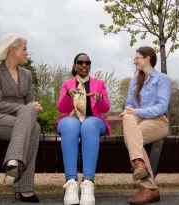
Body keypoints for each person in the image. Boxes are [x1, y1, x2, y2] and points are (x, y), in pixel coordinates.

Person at [0, 33, 42, 203]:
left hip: (21, 121)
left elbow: (29, 101)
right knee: (32, 123)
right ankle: (24, 187)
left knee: (35, 126)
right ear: (12, 49)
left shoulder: (27, 74)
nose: (27, 53)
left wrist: (33, 106)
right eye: (24, 49)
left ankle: (14, 162)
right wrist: (27, 109)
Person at [56, 53, 111, 205]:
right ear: (75, 66)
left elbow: (106, 108)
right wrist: (68, 95)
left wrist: (100, 98)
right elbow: (61, 108)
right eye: (80, 62)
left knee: (88, 125)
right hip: (71, 118)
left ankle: (88, 183)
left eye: (87, 62)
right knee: (70, 124)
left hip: (94, 120)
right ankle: (71, 183)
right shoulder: (67, 84)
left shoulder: (99, 83)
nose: (84, 65)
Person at [120, 46, 171, 204]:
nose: (134, 61)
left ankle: (147, 184)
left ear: (147, 59)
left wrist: (136, 112)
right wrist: (128, 112)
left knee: (131, 137)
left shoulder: (162, 79)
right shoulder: (134, 81)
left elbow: (161, 107)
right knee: (128, 120)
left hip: (158, 122)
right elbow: (129, 105)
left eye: (137, 58)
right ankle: (142, 171)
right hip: (136, 122)